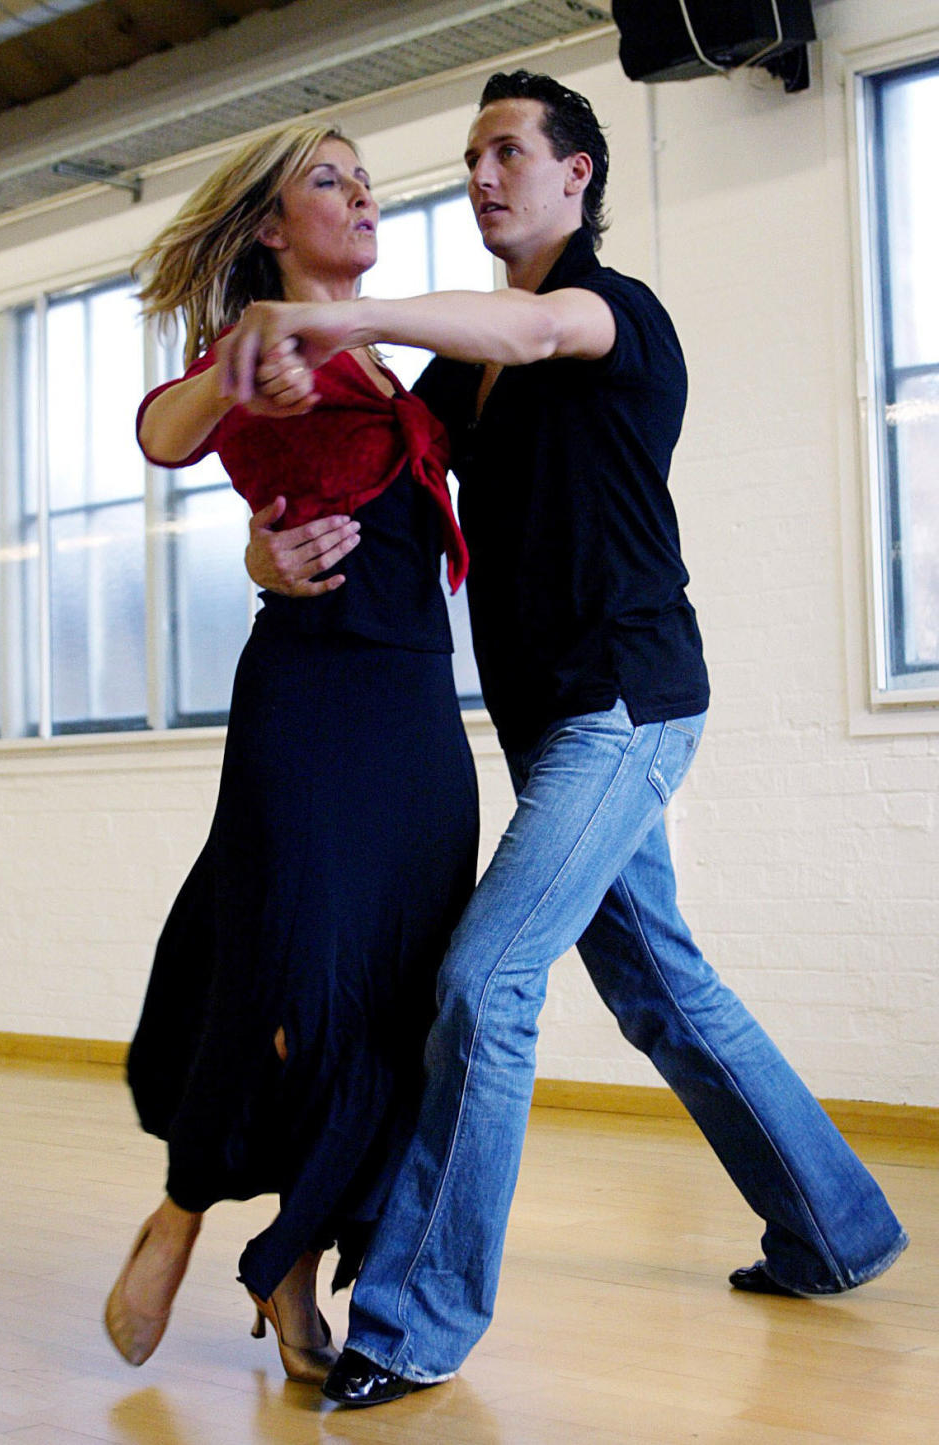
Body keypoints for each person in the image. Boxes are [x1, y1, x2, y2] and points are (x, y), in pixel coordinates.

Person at [229, 71, 908, 1407]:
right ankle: (838, 1228)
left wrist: (348, 304)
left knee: (485, 983)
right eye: (471, 155)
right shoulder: (458, 367)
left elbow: (539, 330)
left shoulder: (606, 311)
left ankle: (414, 1324)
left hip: (630, 702)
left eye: (507, 152)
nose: (482, 174)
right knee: (664, 985)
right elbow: (360, 486)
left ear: (577, 173)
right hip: (554, 731)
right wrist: (268, 550)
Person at [102, 119, 479, 1383]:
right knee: (296, 993)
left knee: (399, 1003)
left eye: (366, 179)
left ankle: (296, 1265)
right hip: (313, 703)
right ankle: (190, 1203)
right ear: (270, 224)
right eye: (329, 180)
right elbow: (165, 429)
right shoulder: (267, 345)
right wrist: (233, 374)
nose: (361, 196)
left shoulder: (379, 352)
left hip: (420, 714)